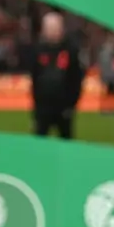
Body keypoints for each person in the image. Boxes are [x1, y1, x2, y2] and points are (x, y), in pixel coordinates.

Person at [29, 11, 86, 139]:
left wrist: (72, 104)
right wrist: (36, 106)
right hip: (44, 107)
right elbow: (34, 79)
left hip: (64, 107)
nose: (52, 32)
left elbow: (77, 79)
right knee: (39, 142)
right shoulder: (38, 50)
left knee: (65, 141)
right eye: (49, 28)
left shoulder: (71, 50)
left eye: (55, 28)